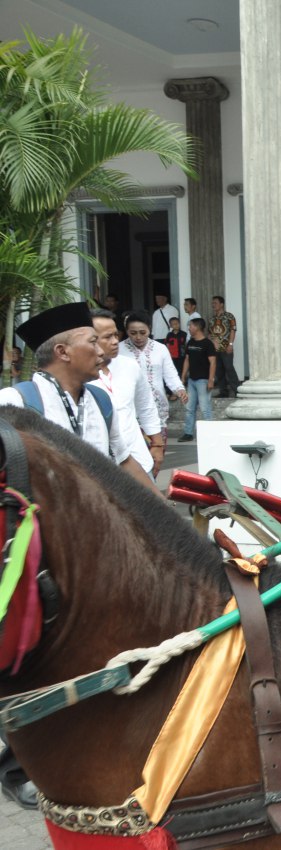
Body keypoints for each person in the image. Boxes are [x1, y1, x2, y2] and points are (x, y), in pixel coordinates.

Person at [0, 302, 146, 810]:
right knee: (32, 651)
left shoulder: (101, 402)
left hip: (96, 554)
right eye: (93, 340)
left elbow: (124, 463)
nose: (105, 348)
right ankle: (18, 764)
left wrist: (165, 521)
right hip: (35, 554)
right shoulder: (13, 403)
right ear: (62, 351)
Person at [89, 309, 164, 481]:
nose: (116, 341)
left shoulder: (129, 366)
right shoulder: (79, 376)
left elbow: (146, 406)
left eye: (116, 335)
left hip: (138, 460)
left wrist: (157, 444)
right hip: (99, 469)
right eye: (108, 337)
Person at [122, 313, 187, 457]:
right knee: (135, 456)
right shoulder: (119, 350)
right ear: (127, 332)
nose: (138, 337)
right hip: (130, 410)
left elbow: (170, 373)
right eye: (133, 333)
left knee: (157, 454)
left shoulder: (160, 348)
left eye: (142, 332)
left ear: (149, 330)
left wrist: (179, 389)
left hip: (157, 408)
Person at [179, 318, 217, 442]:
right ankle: (188, 433)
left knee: (205, 407)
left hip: (203, 380)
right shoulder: (190, 342)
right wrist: (183, 375)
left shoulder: (207, 344)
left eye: (190, 326)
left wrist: (211, 379)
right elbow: (187, 359)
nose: (189, 328)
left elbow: (213, 362)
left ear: (197, 327)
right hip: (192, 380)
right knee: (189, 408)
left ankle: (210, 433)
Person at [209, 295, 240, 398]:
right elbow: (209, 333)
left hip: (226, 348)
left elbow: (233, 330)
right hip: (215, 349)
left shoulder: (229, 316)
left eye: (215, 303)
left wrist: (230, 344)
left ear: (221, 304)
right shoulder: (212, 319)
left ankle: (237, 391)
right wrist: (213, 341)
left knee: (229, 368)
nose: (213, 305)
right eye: (212, 303)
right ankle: (223, 391)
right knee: (219, 370)